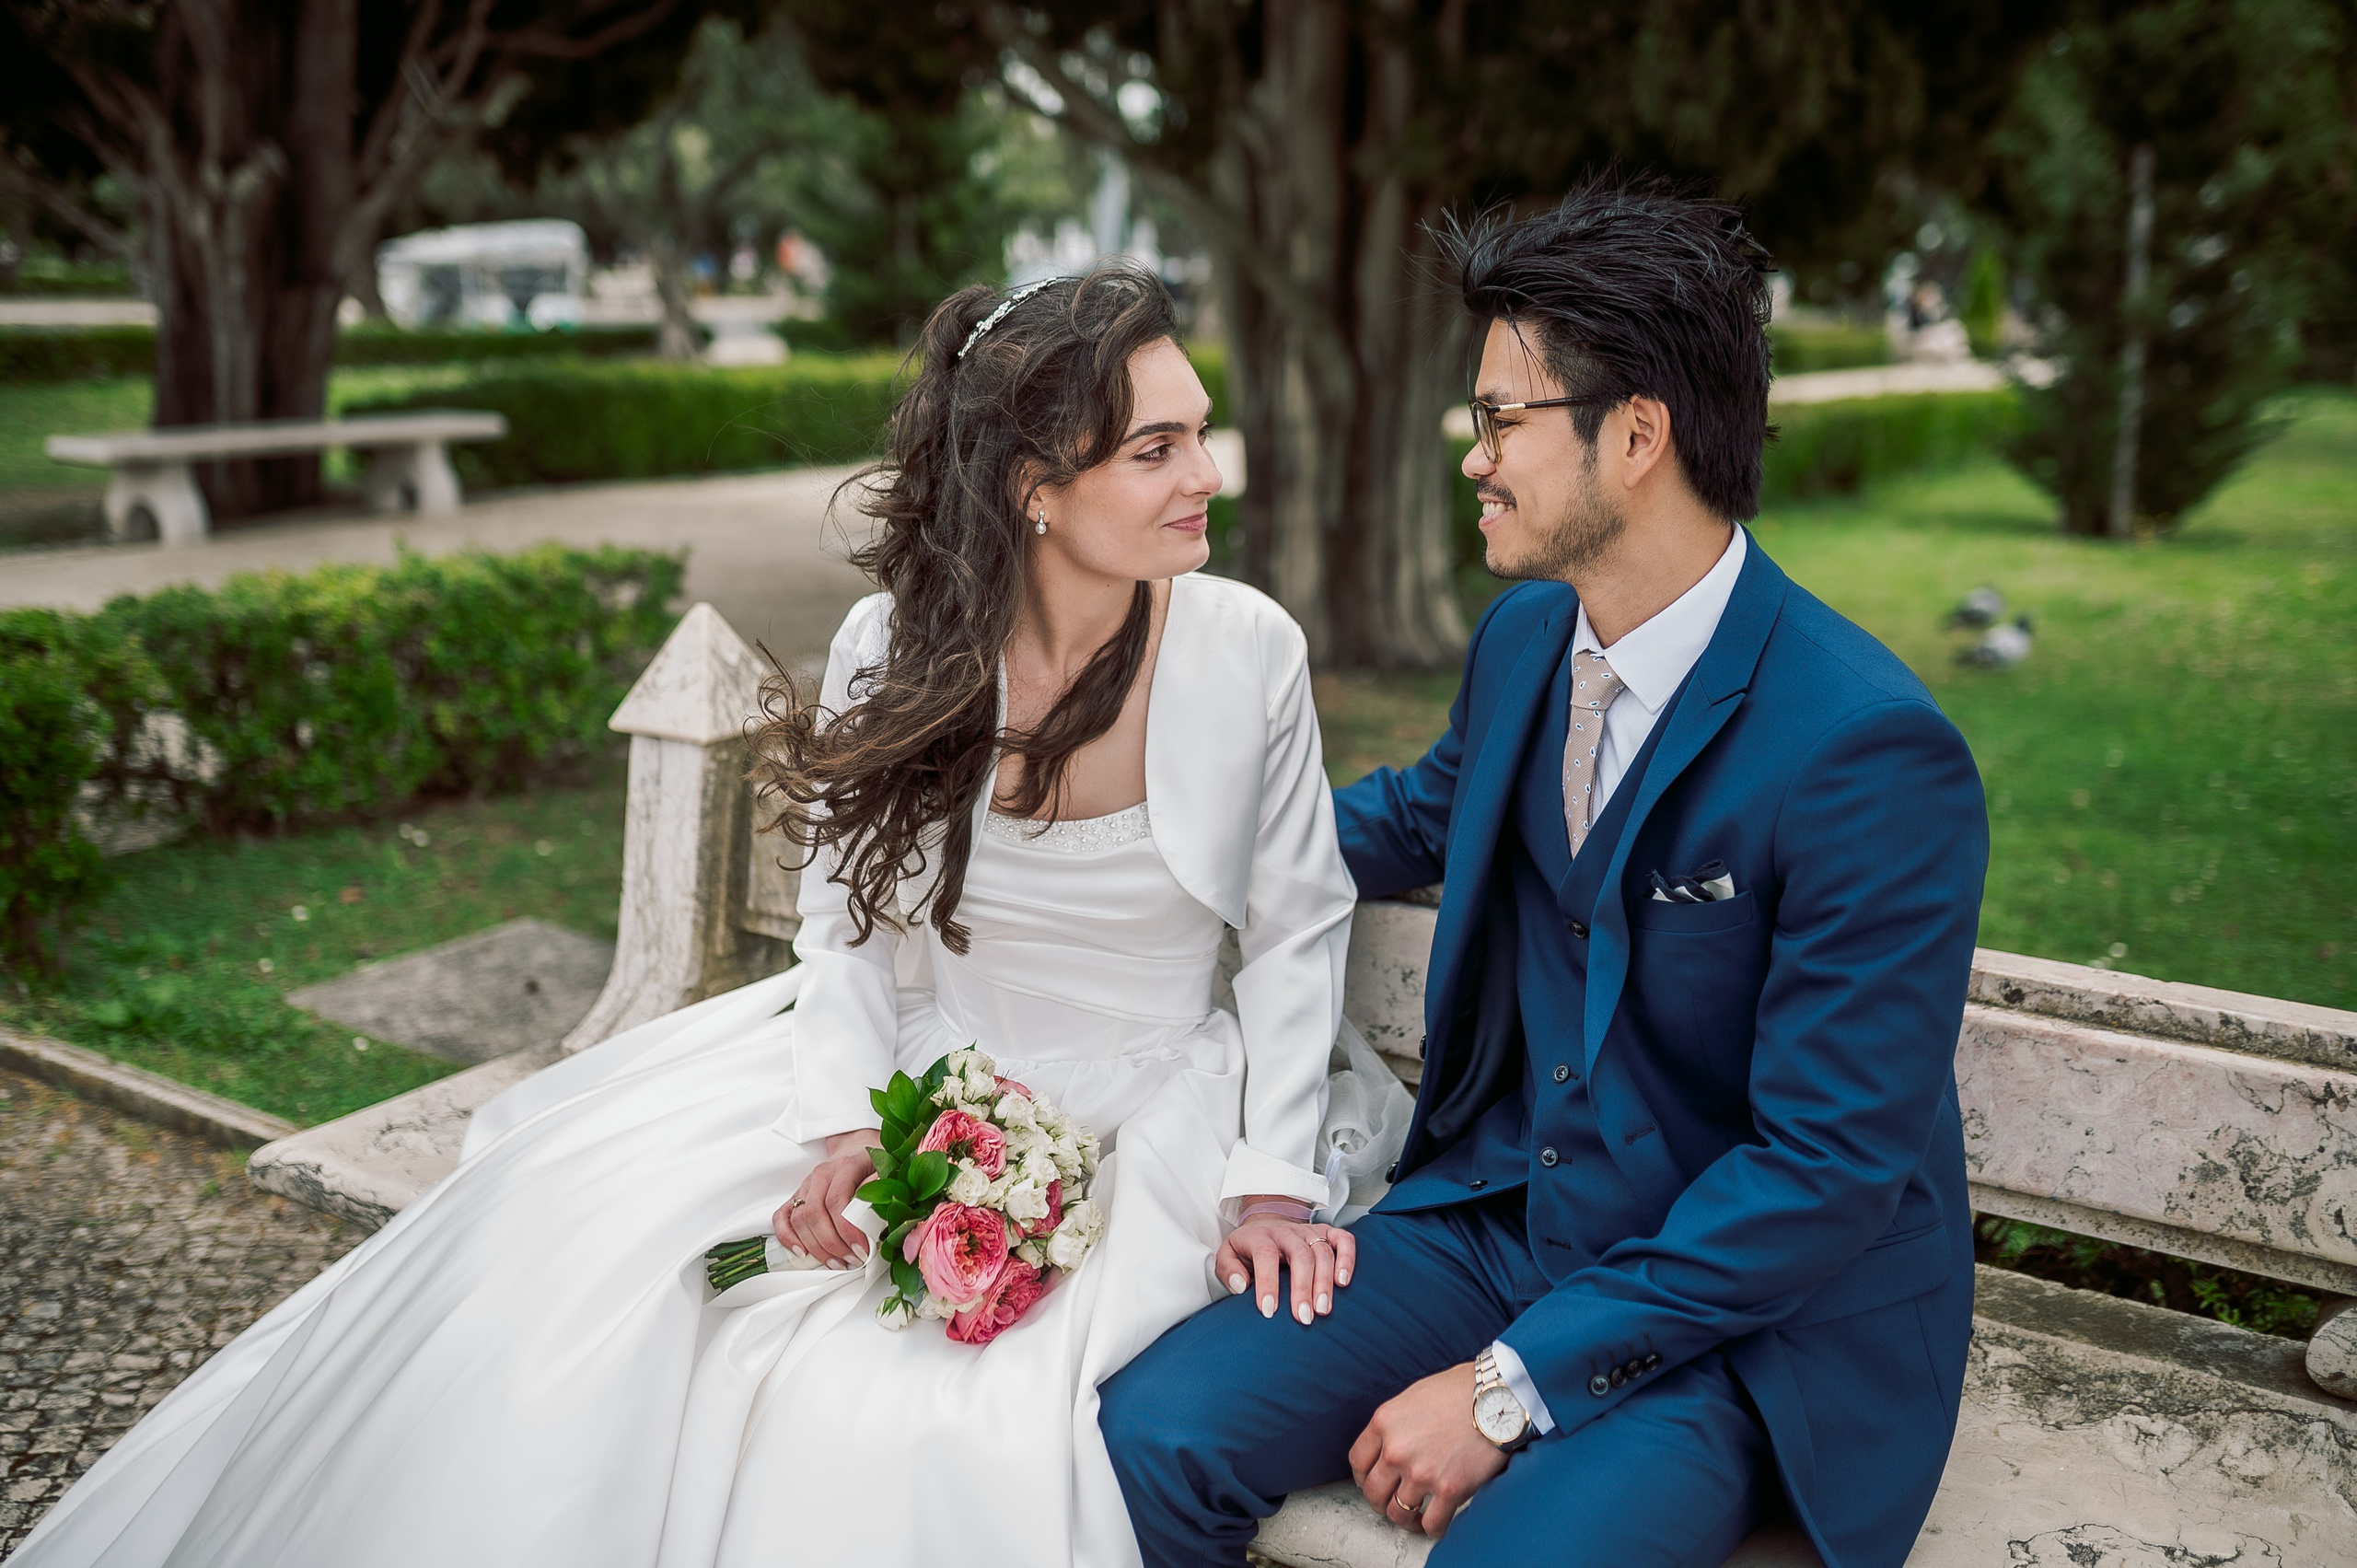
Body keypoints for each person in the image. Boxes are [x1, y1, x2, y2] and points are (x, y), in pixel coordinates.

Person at [13, 265, 1371, 1568]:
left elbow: (1296, 933)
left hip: (1161, 1107)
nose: (1207, 474)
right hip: (919, 1067)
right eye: (1155, 449)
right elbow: (848, 928)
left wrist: (1268, 1182)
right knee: (588, 1274)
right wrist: (849, 1128)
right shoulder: (896, 647)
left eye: (1201, 433)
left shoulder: (1246, 648)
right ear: (1033, 487)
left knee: (920, 1415)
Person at [1101, 177, 1990, 1568]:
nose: (1474, 458)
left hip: (1743, 1324)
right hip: (1503, 1219)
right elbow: (1406, 819)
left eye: (1500, 419)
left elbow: (1824, 1169)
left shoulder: (1867, 749)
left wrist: (1503, 1390)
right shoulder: (1526, 643)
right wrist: (1121, 844)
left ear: (1636, 435)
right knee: (1151, 1435)